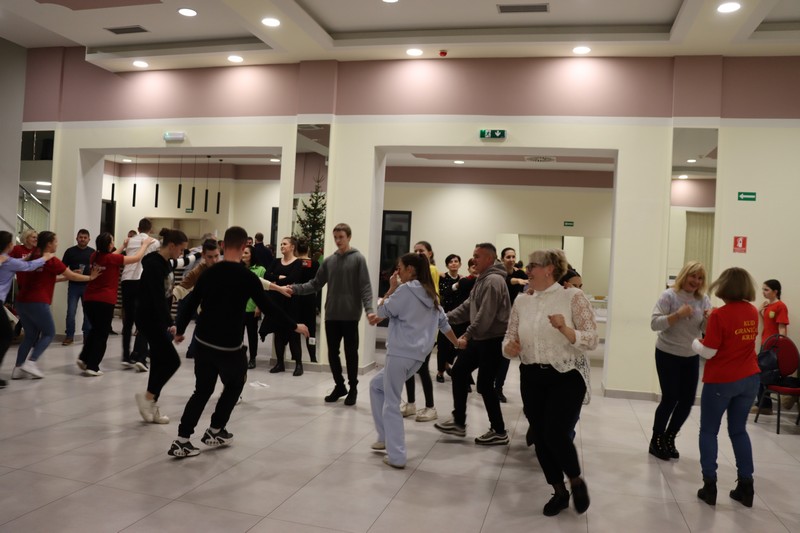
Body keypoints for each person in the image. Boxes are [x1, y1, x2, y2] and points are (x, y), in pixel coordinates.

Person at [169, 226, 309, 458]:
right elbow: (269, 308)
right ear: (244, 246)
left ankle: (182, 440)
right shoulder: (246, 277)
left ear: (223, 246)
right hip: (229, 347)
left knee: (202, 391)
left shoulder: (209, 273)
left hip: (203, 342)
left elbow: (191, 302)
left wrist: (180, 330)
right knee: (235, 384)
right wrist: (294, 325)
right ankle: (215, 429)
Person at [502, 249, 596, 517]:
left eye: (532, 265)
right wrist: (509, 348)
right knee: (541, 438)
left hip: (566, 375)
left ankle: (575, 480)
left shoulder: (572, 297)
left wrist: (565, 329)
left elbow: (591, 339)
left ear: (550, 269)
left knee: (555, 433)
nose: (527, 270)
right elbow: (509, 337)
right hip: (531, 376)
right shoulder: (522, 301)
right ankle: (559, 491)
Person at [368, 253, 458, 468]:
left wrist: (390, 289)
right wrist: (457, 343)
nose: (397, 272)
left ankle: (397, 455)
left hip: (399, 353)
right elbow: (443, 323)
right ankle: (385, 437)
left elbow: (382, 310)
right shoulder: (431, 293)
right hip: (417, 357)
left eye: (399, 268)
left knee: (391, 403)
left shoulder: (406, 290)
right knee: (376, 386)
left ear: (410, 269)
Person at [692, 267, 760, 508]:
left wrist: (695, 343)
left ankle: (709, 486)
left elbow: (709, 351)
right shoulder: (753, 311)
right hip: (750, 378)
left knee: (709, 431)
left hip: (722, 379)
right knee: (739, 431)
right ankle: (746, 486)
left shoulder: (720, 315)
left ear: (724, 286)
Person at [289, 223, 374, 406]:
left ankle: (353, 388)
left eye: (341, 237)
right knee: (332, 353)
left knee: (351, 354)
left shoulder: (358, 259)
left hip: (351, 315)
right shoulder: (329, 261)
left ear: (349, 237)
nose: (338, 240)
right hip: (332, 315)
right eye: (335, 237)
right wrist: (295, 289)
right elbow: (315, 284)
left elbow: (365, 287)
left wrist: (369, 310)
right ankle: (340, 386)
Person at [434, 243, 510, 445]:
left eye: (477, 256)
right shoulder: (482, 279)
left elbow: (485, 316)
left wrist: (466, 336)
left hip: (493, 340)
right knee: (459, 372)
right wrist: (444, 318)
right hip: (481, 338)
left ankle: (499, 431)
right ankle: (458, 422)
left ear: (489, 259)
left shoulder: (493, 281)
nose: (473, 259)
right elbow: (468, 307)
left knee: (484, 385)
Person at [648, 261, 712, 460]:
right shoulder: (669, 296)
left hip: (690, 355)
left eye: (700, 278)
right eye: (693, 276)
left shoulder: (703, 299)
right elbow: (654, 324)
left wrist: (709, 319)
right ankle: (656, 440)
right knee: (670, 398)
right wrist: (677, 315)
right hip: (667, 353)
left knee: (687, 401)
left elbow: (705, 330)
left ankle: (669, 437)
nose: (696, 281)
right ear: (685, 275)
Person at [12, 231, 97, 379]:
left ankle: (18, 368)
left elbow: (45, 277)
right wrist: (90, 277)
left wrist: (63, 278)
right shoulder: (51, 259)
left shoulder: (32, 257)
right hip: (38, 301)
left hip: (22, 302)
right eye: (56, 241)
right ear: (49, 244)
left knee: (30, 335)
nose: (57, 244)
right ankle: (31, 362)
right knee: (49, 333)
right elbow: (72, 275)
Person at [76, 232, 154, 376]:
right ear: (109, 245)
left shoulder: (95, 256)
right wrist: (145, 244)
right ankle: (92, 366)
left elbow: (111, 256)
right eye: (112, 241)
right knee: (102, 334)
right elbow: (136, 258)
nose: (113, 243)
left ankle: (84, 358)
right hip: (104, 301)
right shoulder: (112, 259)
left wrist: (123, 246)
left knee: (95, 330)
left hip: (89, 299)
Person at [133, 230, 189, 425]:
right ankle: (147, 398)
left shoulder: (166, 263)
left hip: (156, 319)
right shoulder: (154, 266)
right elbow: (157, 298)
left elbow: (165, 296)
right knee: (172, 361)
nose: (181, 253)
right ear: (172, 245)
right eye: (181, 249)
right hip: (150, 319)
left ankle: (151, 405)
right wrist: (170, 323)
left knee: (158, 362)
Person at [0, 231, 53, 387]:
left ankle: (17, 367)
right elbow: (28, 267)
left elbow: (21, 262)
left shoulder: (5, 259)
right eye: (11, 242)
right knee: (6, 335)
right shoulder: (7, 261)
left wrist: (29, 257)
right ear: (7, 245)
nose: (13, 244)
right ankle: (29, 363)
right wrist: (45, 258)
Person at [400, 241, 439, 422]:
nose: (417, 253)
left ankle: (430, 406)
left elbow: (431, 299)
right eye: (415, 250)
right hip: (412, 331)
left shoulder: (430, 270)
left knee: (422, 369)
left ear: (430, 253)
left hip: (425, 332)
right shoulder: (411, 278)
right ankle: (411, 404)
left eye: (421, 251)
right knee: (409, 368)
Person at [121, 218, 161, 369]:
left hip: (126, 279)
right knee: (144, 319)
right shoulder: (154, 242)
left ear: (138, 229)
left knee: (128, 321)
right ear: (150, 229)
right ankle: (141, 357)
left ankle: (126, 356)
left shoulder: (130, 241)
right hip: (141, 280)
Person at [263, 236, 304, 375]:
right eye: (281, 244)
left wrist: (276, 280)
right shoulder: (276, 261)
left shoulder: (297, 263)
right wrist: (278, 278)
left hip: (291, 302)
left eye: (284, 244)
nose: (282, 246)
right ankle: (280, 363)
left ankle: (299, 364)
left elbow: (293, 278)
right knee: (278, 332)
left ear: (292, 247)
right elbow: (267, 275)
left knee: (293, 333)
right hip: (277, 301)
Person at [494, 247, 527, 403]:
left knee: (505, 355)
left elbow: (530, 285)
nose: (512, 259)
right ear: (502, 259)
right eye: (508, 257)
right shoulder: (497, 273)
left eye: (514, 256)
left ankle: (498, 388)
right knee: (491, 354)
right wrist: (517, 281)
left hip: (511, 321)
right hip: (494, 319)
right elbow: (507, 281)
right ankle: (484, 383)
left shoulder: (521, 273)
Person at [753, 279, 789, 415]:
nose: (763, 292)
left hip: (773, 347)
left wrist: (781, 346)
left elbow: (781, 328)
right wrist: (759, 312)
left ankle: (764, 406)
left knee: (764, 375)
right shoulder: (767, 306)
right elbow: (767, 324)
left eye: (766, 290)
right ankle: (763, 404)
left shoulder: (781, 306)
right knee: (761, 374)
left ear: (775, 291)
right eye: (763, 289)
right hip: (765, 344)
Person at [436, 254, 468, 382]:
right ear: (447, 265)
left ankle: (447, 363)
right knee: (443, 345)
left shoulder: (463, 279)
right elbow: (443, 293)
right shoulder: (442, 278)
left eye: (456, 261)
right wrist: (456, 285)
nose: (453, 263)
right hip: (445, 315)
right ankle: (440, 372)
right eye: (450, 262)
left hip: (459, 317)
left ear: (460, 264)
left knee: (457, 344)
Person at [61, 229, 94, 345]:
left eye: (85, 237)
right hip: (73, 286)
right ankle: (69, 336)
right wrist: (72, 272)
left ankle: (87, 337)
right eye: (81, 237)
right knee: (71, 312)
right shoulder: (70, 251)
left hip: (88, 286)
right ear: (77, 238)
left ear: (89, 239)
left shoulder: (93, 253)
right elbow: (62, 268)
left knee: (88, 313)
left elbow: (97, 268)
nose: (82, 239)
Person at [241, 245, 266, 369]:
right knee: (237, 334)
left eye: (246, 253)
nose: (243, 255)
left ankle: (252, 358)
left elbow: (262, 290)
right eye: (242, 252)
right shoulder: (238, 268)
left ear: (252, 255)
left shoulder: (260, 270)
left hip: (252, 308)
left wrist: (259, 306)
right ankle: (239, 356)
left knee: (252, 335)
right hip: (239, 308)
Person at [295, 238, 320, 362]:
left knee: (295, 328)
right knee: (311, 329)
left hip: (295, 297)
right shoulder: (315, 264)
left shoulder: (294, 263)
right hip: (309, 298)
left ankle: (295, 357)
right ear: (308, 249)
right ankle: (313, 357)